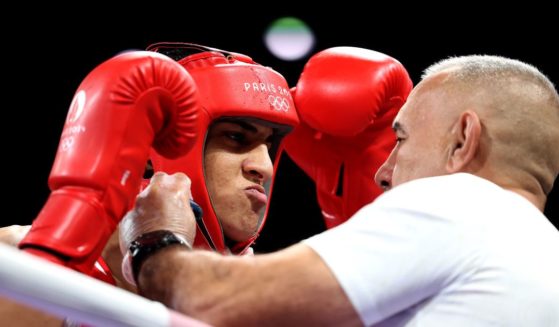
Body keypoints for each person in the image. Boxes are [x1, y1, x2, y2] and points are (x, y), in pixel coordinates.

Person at [119, 54, 559, 326]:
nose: (383, 174)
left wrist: (154, 240)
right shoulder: (539, 248)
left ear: (463, 139)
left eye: (400, 138)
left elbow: (221, 303)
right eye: (236, 139)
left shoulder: (462, 204)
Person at [0, 42, 299, 326]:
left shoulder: (266, 298)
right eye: (235, 137)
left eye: (269, 148)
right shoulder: (11, 254)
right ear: (150, 153)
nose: (264, 167)